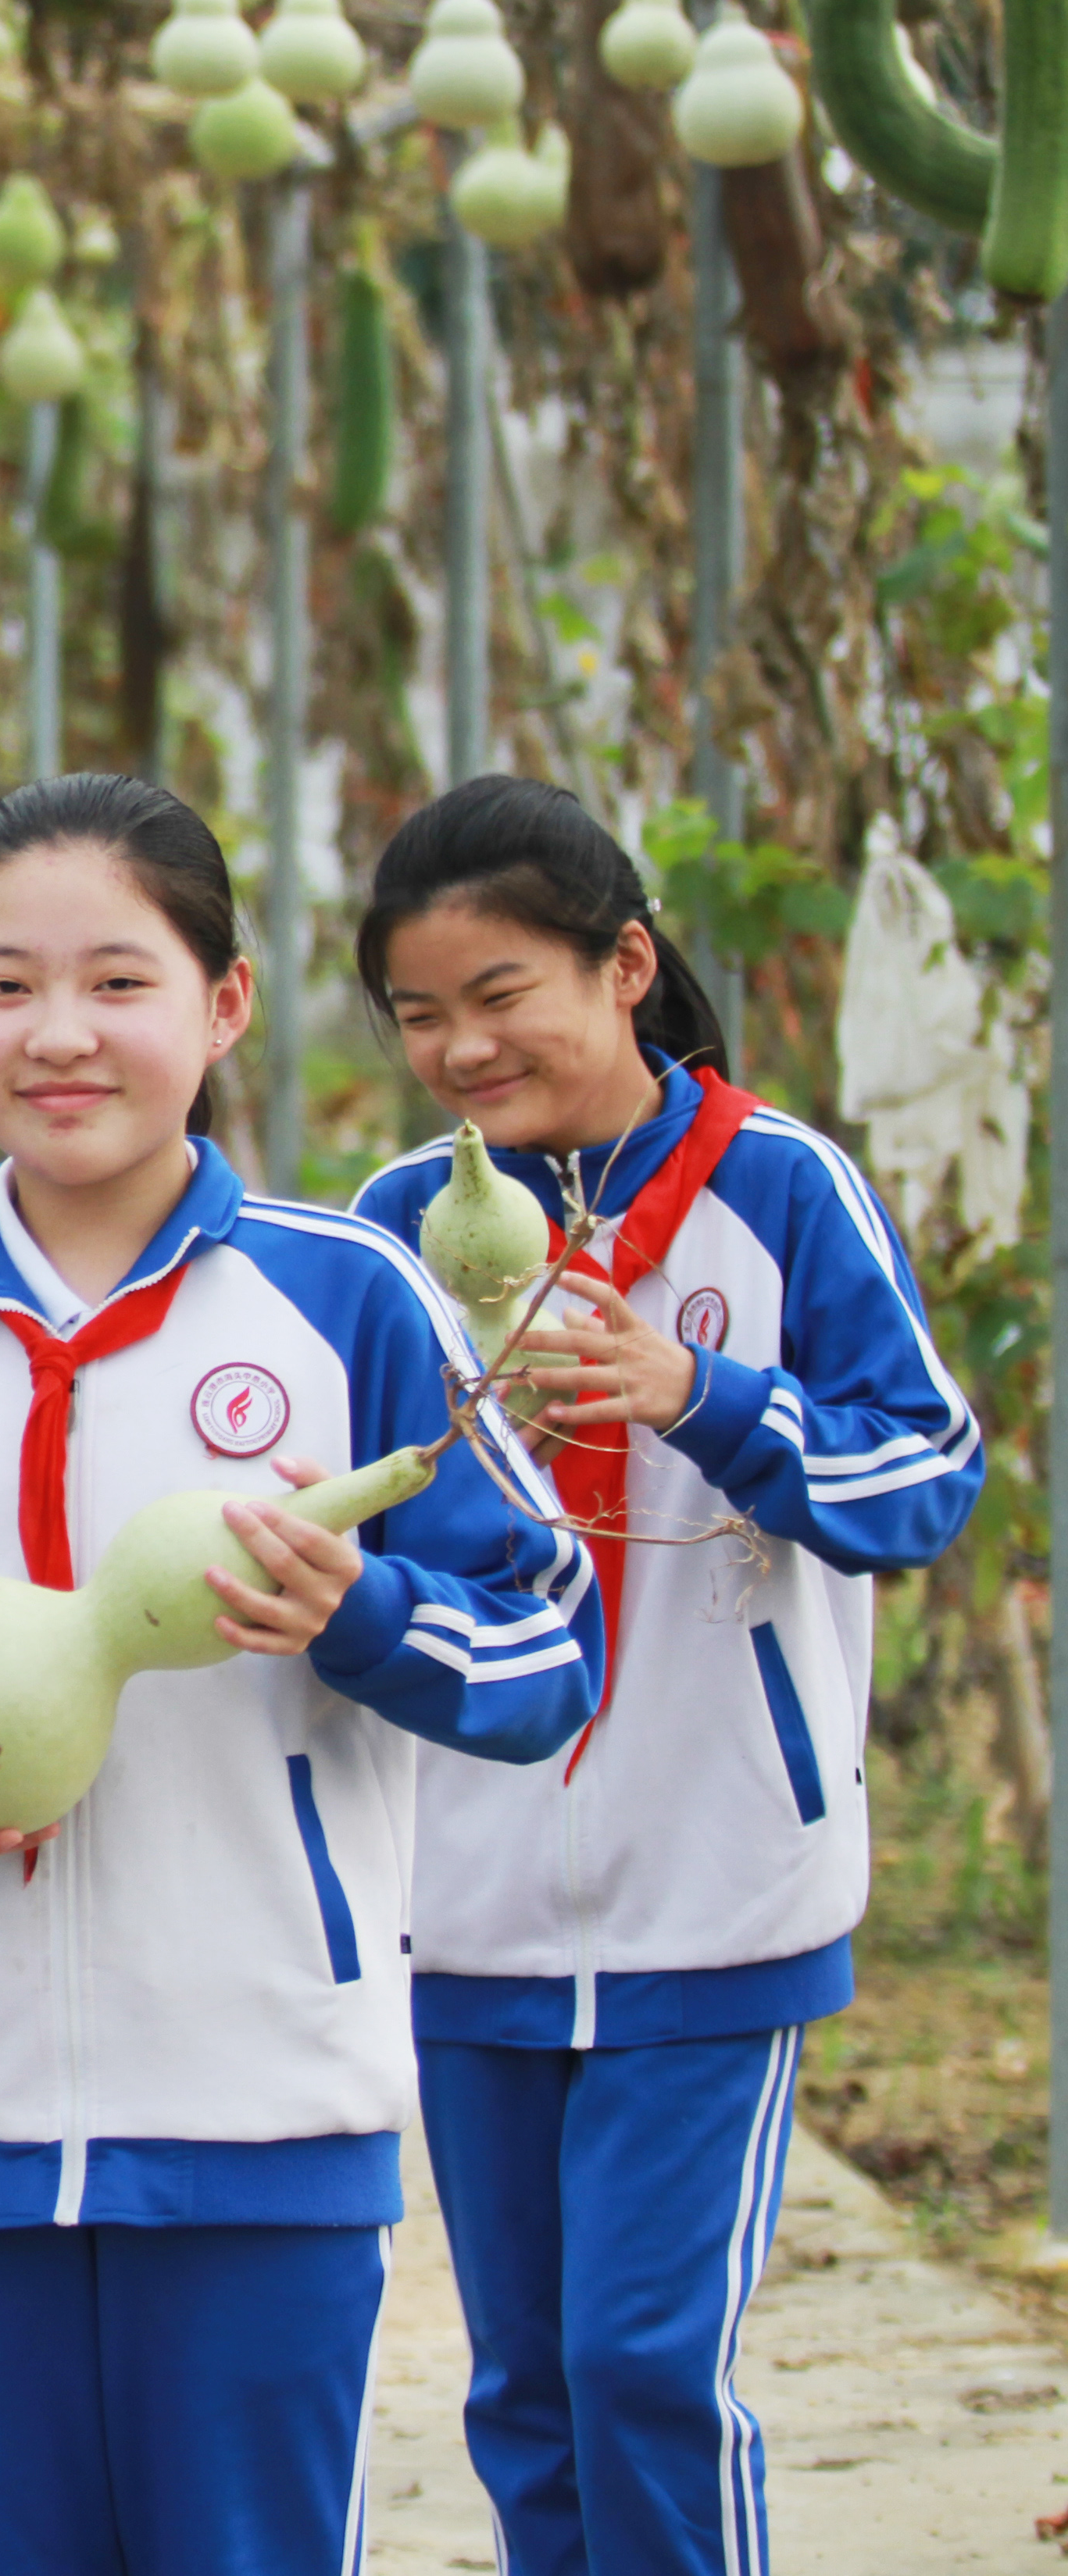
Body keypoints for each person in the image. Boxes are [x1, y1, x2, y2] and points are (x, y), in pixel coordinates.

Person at [0, 773, 602, 2576]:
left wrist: (354, 1614)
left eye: (119, 980)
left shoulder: (347, 1301)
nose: (60, 1035)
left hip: (263, 2104)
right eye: (2, 983)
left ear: (226, 1006)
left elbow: (550, 1653)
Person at [349, 776, 984, 2576]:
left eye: (501, 995)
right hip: (466, 1902)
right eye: (417, 1013)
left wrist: (700, 1395)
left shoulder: (782, 1190)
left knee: (645, 2363)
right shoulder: (396, 1226)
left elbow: (924, 1474)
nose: (460, 1047)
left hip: (718, 1893)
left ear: (625, 965)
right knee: (526, 2385)